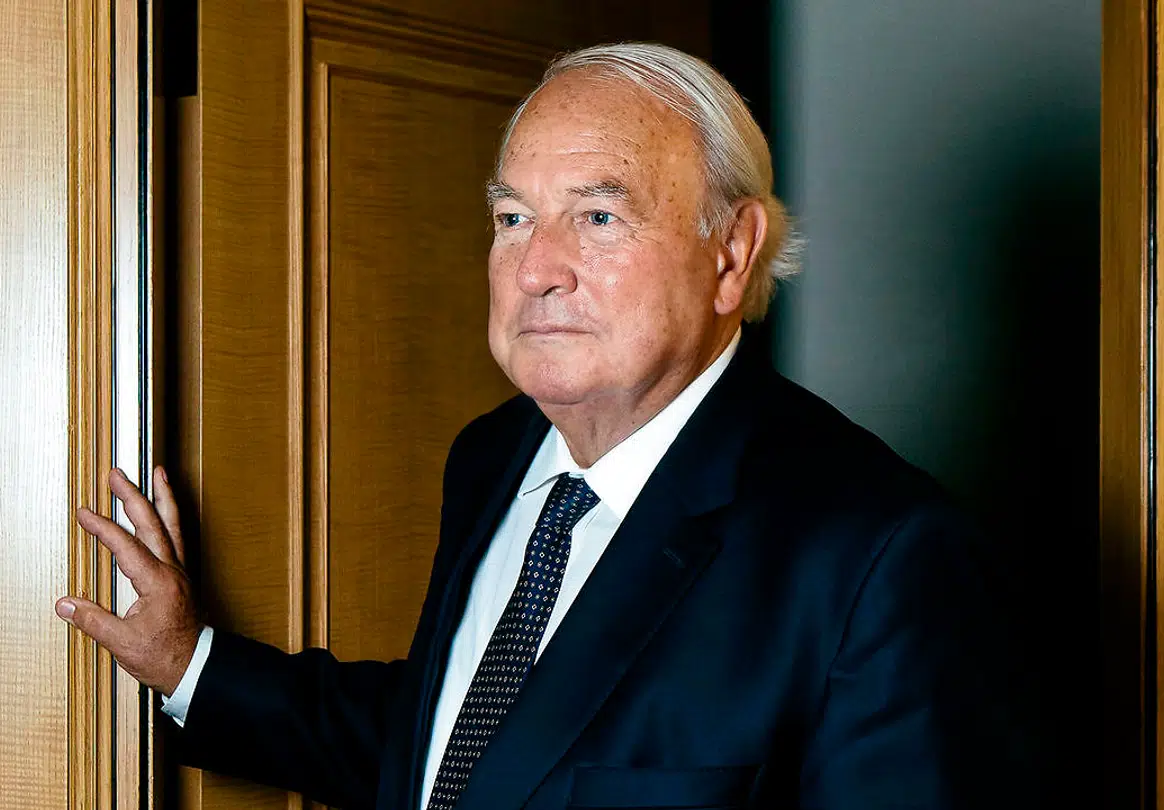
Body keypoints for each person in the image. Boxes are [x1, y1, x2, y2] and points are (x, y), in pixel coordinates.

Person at [56, 43, 1040, 809]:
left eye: (598, 218)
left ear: (732, 252)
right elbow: (466, 747)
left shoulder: (883, 559)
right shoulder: (494, 457)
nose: (535, 269)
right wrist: (191, 664)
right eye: (513, 219)